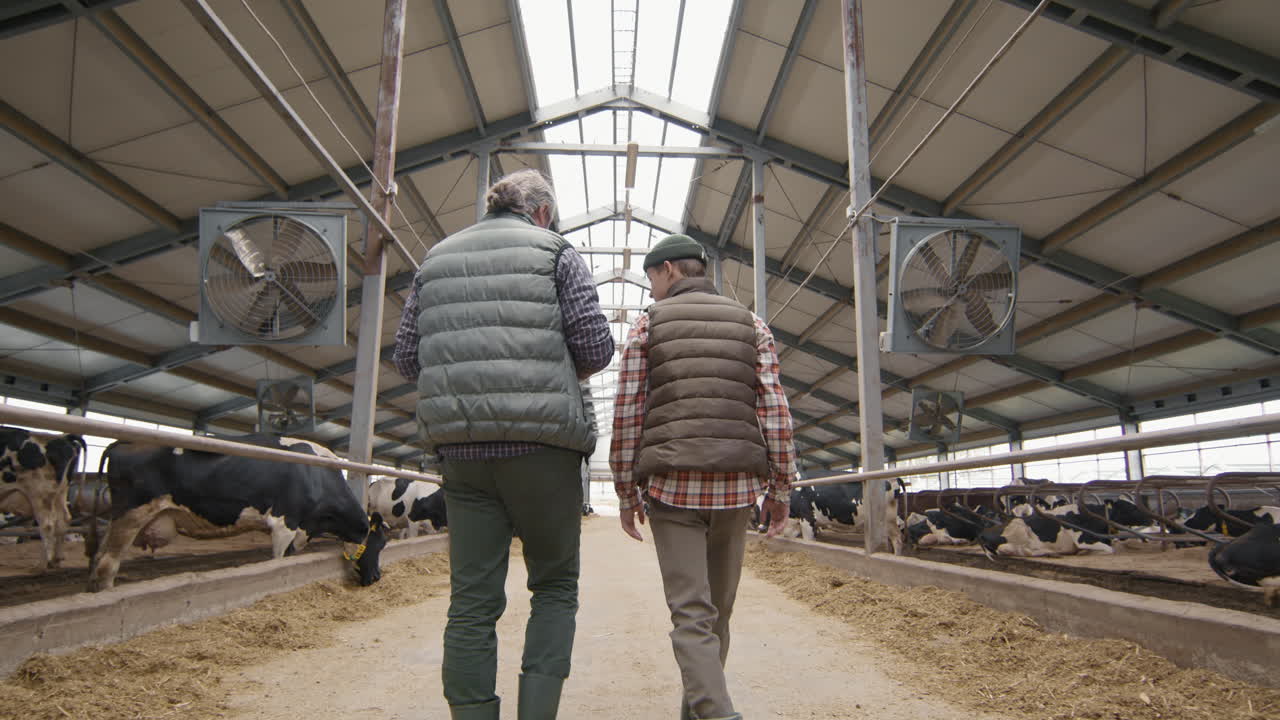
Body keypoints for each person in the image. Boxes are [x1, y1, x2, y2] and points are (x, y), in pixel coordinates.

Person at [393, 168, 613, 720]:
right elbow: (595, 348)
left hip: (461, 450)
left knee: (471, 600)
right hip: (542, 447)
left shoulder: (435, 259)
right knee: (555, 585)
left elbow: (406, 359)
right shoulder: (557, 253)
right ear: (541, 213)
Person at [610, 233, 797, 720]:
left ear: (669, 270)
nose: (650, 290)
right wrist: (781, 487)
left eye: (651, 277)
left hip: (671, 487)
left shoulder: (648, 325)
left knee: (691, 612)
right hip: (737, 487)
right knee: (718, 611)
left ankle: (717, 716)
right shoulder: (751, 323)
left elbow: (628, 411)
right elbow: (774, 410)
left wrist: (626, 490)